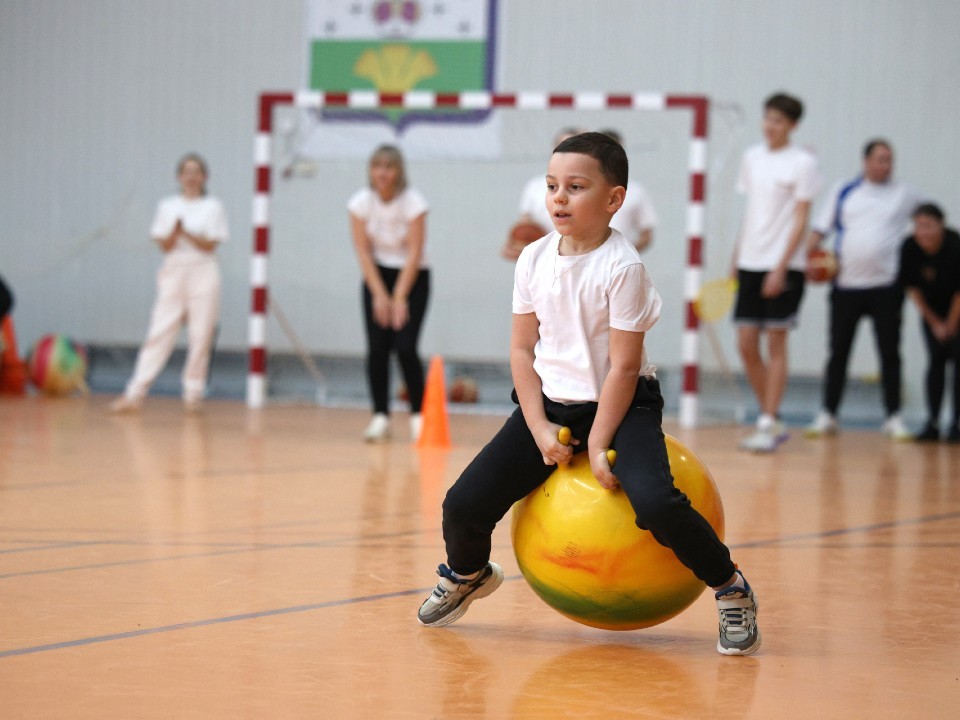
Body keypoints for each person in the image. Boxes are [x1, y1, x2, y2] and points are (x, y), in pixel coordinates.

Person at [417, 132, 761, 656]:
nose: (558, 197)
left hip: (623, 407)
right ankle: (468, 573)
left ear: (613, 200)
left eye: (575, 187)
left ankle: (730, 587)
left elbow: (623, 368)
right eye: (552, 185)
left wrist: (599, 444)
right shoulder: (532, 258)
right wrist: (537, 428)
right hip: (552, 405)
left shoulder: (623, 268)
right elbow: (520, 353)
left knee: (658, 503)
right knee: (463, 504)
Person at [804, 140, 923, 440]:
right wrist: (808, 259)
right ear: (866, 161)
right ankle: (828, 414)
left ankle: (893, 417)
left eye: (889, 160)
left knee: (890, 354)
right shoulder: (845, 191)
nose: (886, 165)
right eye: (880, 159)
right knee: (838, 353)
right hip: (846, 288)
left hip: (887, 288)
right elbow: (819, 231)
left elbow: (926, 220)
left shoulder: (905, 194)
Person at [732, 93, 823, 452]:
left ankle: (767, 421)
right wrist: (737, 255)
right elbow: (753, 210)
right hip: (750, 262)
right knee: (745, 343)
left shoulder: (804, 162)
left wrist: (781, 266)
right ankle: (772, 414)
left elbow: (801, 218)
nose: (770, 126)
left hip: (784, 266)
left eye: (779, 121)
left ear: (793, 125)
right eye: (767, 118)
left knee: (775, 342)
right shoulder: (751, 158)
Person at [110, 153, 227, 414]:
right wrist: (175, 233)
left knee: (200, 335)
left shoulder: (213, 207)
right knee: (160, 332)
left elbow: (211, 244)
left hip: (203, 271)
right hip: (174, 270)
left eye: (196, 171)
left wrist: (186, 233)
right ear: (179, 177)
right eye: (187, 171)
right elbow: (164, 244)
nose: (191, 177)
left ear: (204, 177)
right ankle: (135, 393)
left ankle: (193, 394)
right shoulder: (167, 206)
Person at [349, 145, 430, 442]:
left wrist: (399, 297)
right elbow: (362, 251)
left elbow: (415, 251)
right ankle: (380, 416)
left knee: (406, 346)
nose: (382, 173)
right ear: (371, 170)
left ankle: (419, 417)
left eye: (389, 166)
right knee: (377, 348)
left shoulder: (414, 202)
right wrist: (380, 294)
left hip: (414, 276)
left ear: (399, 171)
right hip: (376, 276)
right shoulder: (360, 203)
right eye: (377, 166)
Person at [899, 204, 960, 442]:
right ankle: (932, 422)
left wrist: (951, 324)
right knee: (935, 361)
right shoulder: (910, 247)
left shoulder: (955, 245)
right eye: (918, 226)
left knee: (958, 364)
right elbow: (913, 289)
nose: (922, 232)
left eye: (928, 226)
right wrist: (935, 323)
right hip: (932, 313)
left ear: (940, 225)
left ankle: (956, 423)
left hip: (956, 311)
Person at [502, 127, 582, 261]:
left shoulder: (594, 188)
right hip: (547, 262)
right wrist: (517, 242)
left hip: (583, 260)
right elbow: (526, 223)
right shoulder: (535, 186)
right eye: (562, 147)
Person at [599, 129, 659, 253]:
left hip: (618, 264)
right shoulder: (578, 190)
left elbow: (646, 234)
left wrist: (626, 255)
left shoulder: (636, 192)